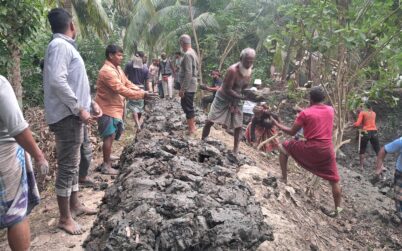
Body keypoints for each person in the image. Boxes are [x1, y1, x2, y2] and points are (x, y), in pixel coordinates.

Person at [43, 8, 102, 235]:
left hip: (74, 114)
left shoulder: (64, 47)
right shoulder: (59, 46)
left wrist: (90, 104)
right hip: (68, 116)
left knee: (75, 163)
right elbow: (58, 82)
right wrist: (79, 108)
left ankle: (75, 205)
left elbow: (74, 82)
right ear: (72, 25)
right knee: (68, 166)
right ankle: (64, 218)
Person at [272, 86, 342, 217]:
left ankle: (284, 178)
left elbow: (291, 132)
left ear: (310, 99)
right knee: (334, 180)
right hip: (327, 149)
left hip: (312, 147)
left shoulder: (305, 114)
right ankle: (338, 211)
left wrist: (276, 124)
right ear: (324, 99)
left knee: (284, 146)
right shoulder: (331, 110)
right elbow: (318, 113)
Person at [0, 75, 49, 251]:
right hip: (5, 159)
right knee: (16, 213)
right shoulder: (0, 84)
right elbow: (18, 128)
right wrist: (39, 156)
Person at [96, 45, 156, 175]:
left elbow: (127, 83)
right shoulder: (107, 71)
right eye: (119, 55)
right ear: (111, 55)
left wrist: (141, 91)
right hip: (107, 108)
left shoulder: (117, 69)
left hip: (115, 107)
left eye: (122, 55)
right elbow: (120, 89)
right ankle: (106, 165)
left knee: (111, 136)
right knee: (109, 136)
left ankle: (108, 157)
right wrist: (142, 95)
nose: (121, 58)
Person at [201, 48, 256, 154]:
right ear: (241, 59)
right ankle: (203, 139)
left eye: (251, 61)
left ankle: (235, 149)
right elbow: (227, 89)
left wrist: (251, 95)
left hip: (237, 98)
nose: (249, 64)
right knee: (210, 120)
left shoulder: (249, 71)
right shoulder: (232, 70)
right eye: (247, 61)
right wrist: (241, 97)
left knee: (238, 125)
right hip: (223, 97)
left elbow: (244, 88)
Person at [375, 137, 402, 219]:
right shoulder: (401, 141)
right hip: (401, 174)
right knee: (399, 199)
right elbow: (384, 150)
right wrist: (379, 167)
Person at [178, 34, 200, 136]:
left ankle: (192, 129)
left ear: (182, 43)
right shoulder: (193, 52)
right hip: (192, 84)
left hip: (189, 85)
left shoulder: (187, 54)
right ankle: (192, 126)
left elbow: (188, 73)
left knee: (187, 106)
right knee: (186, 104)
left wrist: (183, 89)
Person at [124, 51, 150, 130]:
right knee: (139, 107)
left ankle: (137, 124)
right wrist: (147, 91)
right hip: (141, 89)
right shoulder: (145, 67)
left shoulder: (129, 64)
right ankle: (137, 122)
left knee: (133, 106)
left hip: (131, 87)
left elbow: (124, 76)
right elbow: (147, 81)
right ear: (142, 57)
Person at [353, 102, 380, 169]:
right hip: (374, 131)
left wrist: (353, 124)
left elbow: (357, 124)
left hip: (365, 131)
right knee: (377, 149)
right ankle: (381, 166)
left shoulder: (362, 113)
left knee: (362, 149)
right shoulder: (374, 113)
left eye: (361, 107)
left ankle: (361, 166)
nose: (360, 108)